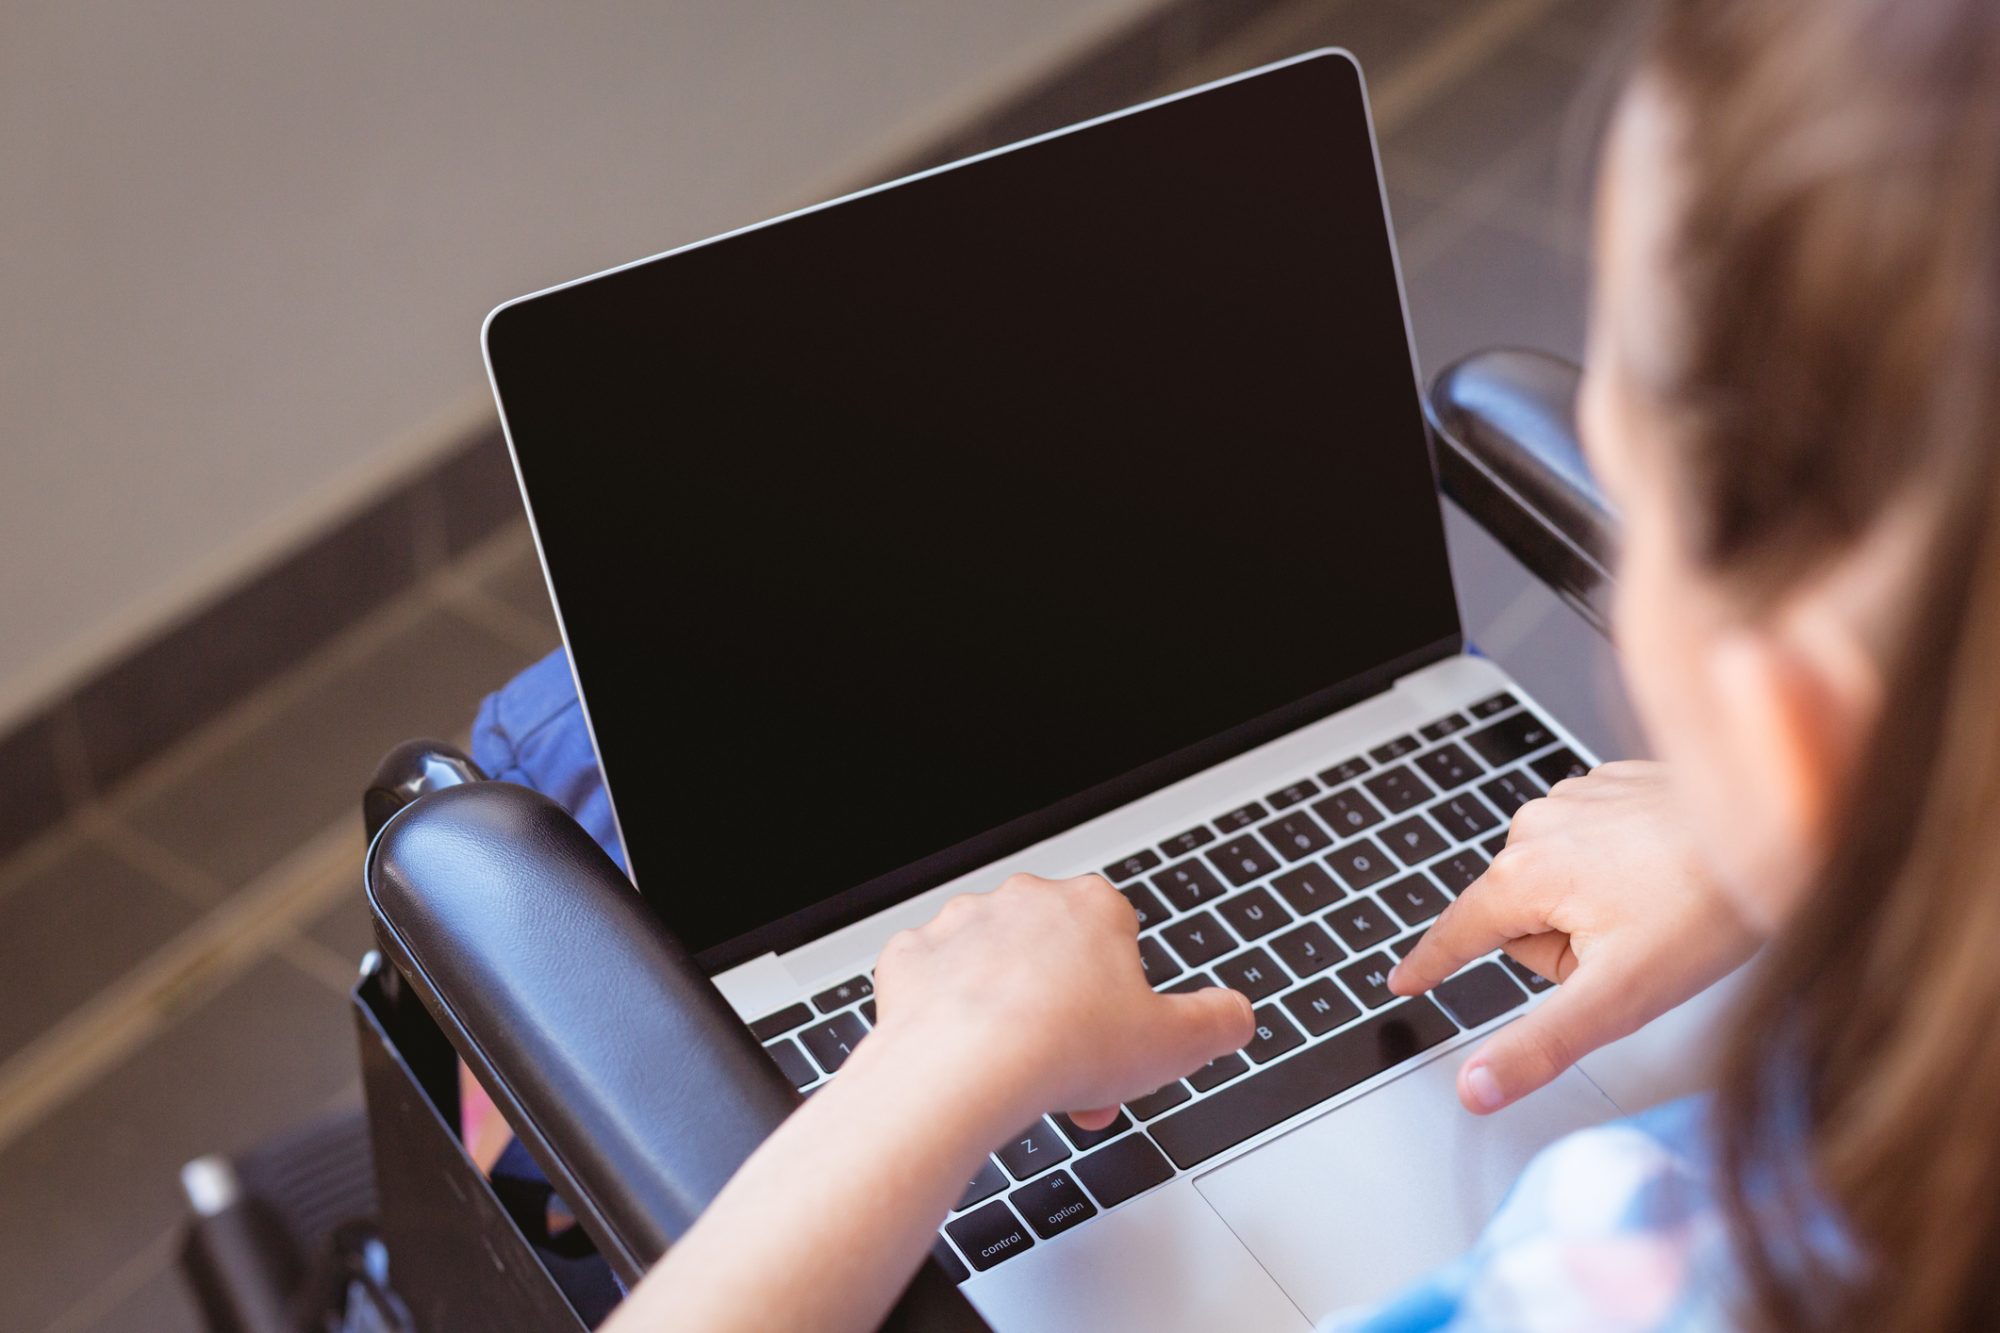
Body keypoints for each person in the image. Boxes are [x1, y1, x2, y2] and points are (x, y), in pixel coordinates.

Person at [590, 0, 2000, 1325]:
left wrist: (924, 1072)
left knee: (558, 756)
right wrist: (1817, 848)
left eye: (1621, 390)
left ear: (1793, 726)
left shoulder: (1621, 1262)